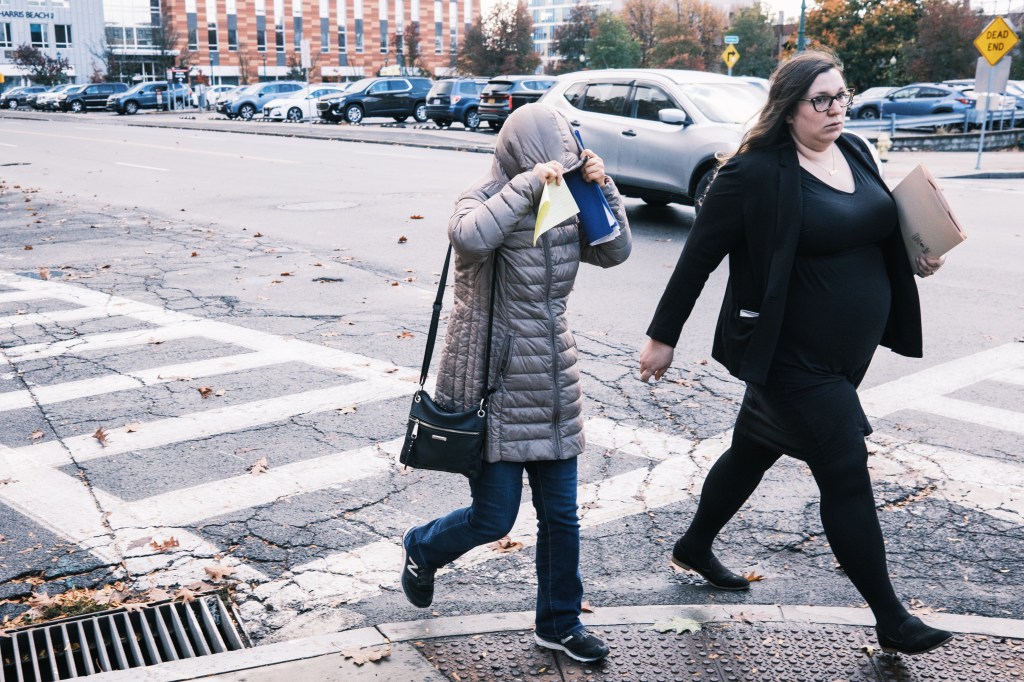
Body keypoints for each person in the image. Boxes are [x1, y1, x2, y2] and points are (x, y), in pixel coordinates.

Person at [638, 49, 952, 656]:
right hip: (789, 357)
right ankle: (891, 617)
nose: (837, 109)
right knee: (845, 472)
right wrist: (662, 337)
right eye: (822, 100)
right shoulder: (752, 174)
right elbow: (697, 257)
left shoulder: (855, 150)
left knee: (753, 447)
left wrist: (918, 252)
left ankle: (695, 544)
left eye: (843, 96)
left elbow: (877, 223)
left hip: (845, 356)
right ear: (789, 108)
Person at [400, 103, 632, 663]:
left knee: (561, 517)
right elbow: (470, 239)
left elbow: (615, 251)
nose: (559, 173)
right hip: (494, 385)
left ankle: (560, 622)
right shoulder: (480, 196)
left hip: (553, 378)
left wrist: (605, 190)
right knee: (493, 518)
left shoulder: (569, 195)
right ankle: (422, 547)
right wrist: (529, 184)